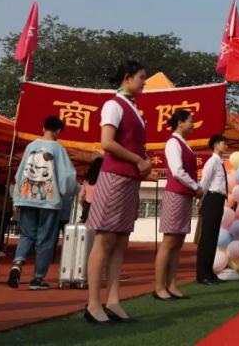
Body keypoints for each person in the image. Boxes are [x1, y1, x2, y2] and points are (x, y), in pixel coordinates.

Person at [85, 60, 151, 324]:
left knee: (121, 242)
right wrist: (138, 160)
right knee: (104, 240)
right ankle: (93, 303)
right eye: (141, 77)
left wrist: (143, 163)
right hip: (114, 177)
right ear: (127, 78)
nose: (144, 82)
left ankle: (113, 300)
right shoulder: (114, 105)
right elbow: (107, 142)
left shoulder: (134, 108)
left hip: (130, 180)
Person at [7, 116, 78, 290]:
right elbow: (67, 178)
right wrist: (74, 190)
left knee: (26, 234)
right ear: (58, 131)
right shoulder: (58, 149)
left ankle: (17, 263)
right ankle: (37, 278)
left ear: (43, 128)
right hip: (49, 201)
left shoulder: (30, 147)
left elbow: (20, 174)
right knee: (45, 239)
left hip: (26, 198)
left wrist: (17, 197)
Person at [153, 110, 203, 301]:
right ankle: (159, 287)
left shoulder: (184, 143)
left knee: (178, 242)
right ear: (180, 123)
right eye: (190, 121)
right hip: (176, 194)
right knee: (169, 241)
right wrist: (196, 186)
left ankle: (172, 284)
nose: (193, 124)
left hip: (184, 195)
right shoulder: (173, 143)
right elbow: (177, 171)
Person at [196, 134, 229, 284]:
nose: (226, 146)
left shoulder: (220, 162)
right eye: (224, 143)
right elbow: (204, 182)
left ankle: (209, 273)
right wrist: (200, 202)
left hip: (219, 200)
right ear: (215, 145)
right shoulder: (212, 162)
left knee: (213, 238)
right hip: (212, 199)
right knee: (207, 238)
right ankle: (202, 275)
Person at [78, 157, 103, 223]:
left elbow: (80, 197)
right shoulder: (103, 181)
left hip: (87, 207)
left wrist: (83, 206)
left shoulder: (87, 180)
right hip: (99, 207)